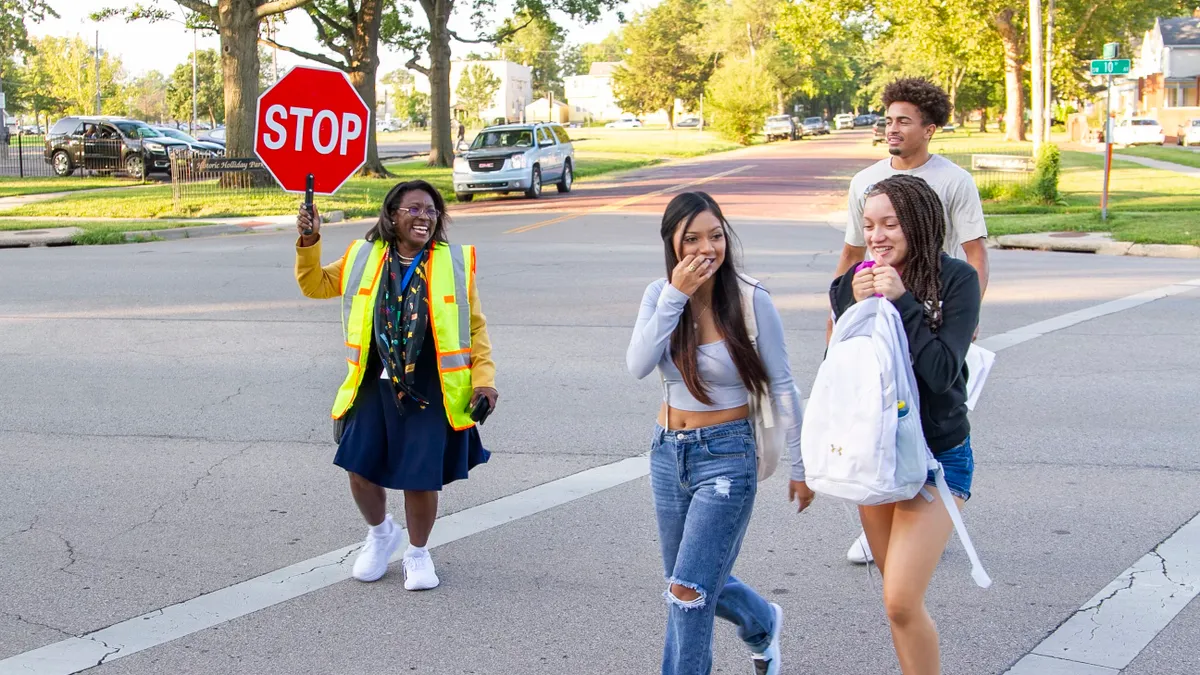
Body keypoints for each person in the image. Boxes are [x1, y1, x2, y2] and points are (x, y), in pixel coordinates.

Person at [627, 191, 812, 675]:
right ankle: (761, 621)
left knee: (687, 591)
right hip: (667, 453)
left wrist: (801, 464)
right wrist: (676, 295)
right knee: (688, 578)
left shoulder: (751, 300)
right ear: (671, 242)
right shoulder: (659, 295)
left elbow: (783, 384)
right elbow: (637, 366)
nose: (706, 248)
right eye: (691, 239)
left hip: (727, 456)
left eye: (715, 235)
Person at [294, 179, 498, 590]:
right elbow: (314, 284)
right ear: (392, 215)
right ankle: (381, 533)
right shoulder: (362, 256)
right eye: (415, 209)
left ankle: (418, 554)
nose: (424, 217)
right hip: (374, 379)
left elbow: (475, 326)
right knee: (358, 468)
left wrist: (485, 380)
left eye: (431, 211)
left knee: (420, 477)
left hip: (431, 383)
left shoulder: (453, 262)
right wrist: (310, 237)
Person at [831, 77, 990, 565]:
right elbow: (854, 254)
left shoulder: (953, 181)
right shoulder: (867, 183)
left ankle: (926, 507)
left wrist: (966, 318)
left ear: (930, 128)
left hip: (933, 309)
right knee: (881, 408)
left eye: (904, 120)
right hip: (880, 302)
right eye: (888, 119)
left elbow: (974, 254)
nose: (892, 128)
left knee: (930, 402)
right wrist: (841, 314)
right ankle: (891, 512)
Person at [830, 174, 980, 675]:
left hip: (937, 459)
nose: (876, 236)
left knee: (899, 598)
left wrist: (904, 303)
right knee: (896, 604)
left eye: (890, 224)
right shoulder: (850, 285)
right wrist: (854, 302)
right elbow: (846, 373)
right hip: (877, 457)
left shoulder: (956, 280)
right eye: (869, 225)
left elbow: (941, 373)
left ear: (917, 224)